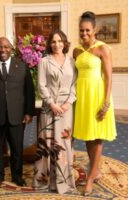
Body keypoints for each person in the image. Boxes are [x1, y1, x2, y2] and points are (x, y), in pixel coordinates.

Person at [0, 37, 35, 188]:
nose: (2, 50)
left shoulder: (22, 67)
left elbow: (29, 92)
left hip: (17, 116)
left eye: (5, 47)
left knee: (17, 149)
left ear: (11, 49)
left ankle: (17, 176)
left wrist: (28, 112)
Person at [73, 11, 117, 196]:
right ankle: (96, 170)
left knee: (96, 137)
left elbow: (108, 78)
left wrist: (106, 103)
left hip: (98, 96)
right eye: (81, 30)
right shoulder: (76, 50)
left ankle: (90, 177)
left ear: (95, 29)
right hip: (82, 97)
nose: (84, 34)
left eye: (87, 30)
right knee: (87, 136)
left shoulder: (103, 49)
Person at [33, 30, 77, 194]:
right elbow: (41, 86)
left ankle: (63, 180)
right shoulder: (44, 61)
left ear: (64, 43)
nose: (57, 44)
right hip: (49, 108)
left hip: (66, 109)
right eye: (53, 41)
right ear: (49, 44)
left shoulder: (72, 62)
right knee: (47, 143)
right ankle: (44, 180)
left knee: (63, 143)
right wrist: (52, 104)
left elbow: (74, 86)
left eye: (60, 41)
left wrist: (68, 103)